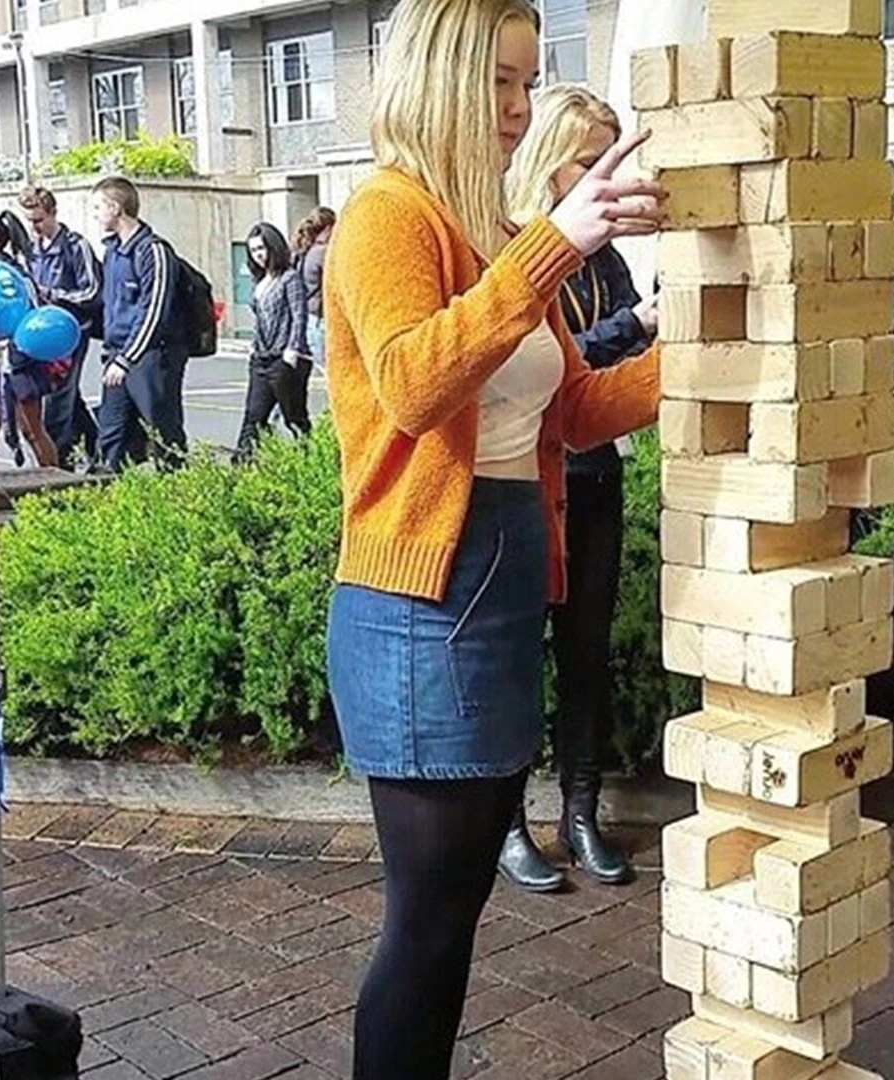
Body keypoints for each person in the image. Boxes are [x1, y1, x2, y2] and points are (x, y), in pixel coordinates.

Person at [323, 1, 667, 1076]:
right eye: (500, 83)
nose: (519, 110)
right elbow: (418, 386)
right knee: (427, 919)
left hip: (501, 576)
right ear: (438, 78)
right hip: (423, 596)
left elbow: (563, 414)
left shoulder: (486, 230)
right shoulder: (390, 211)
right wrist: (557, 247)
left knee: (455, 906)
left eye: (529, 83)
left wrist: (708, 362)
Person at [497, 84, 657, 893]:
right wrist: (639, 327)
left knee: (586, 653)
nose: (608, 179)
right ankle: (511, 823)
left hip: (597, 470)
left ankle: (582, 813)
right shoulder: (520, 247)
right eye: (589, 162)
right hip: (532, 475)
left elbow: (603, 376)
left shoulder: (608, 256)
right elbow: (570, 363)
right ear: (545, 160)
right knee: (520, 655)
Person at [93, 177, 187, 472]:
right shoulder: (112, 251)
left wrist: (127, 358)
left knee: (163, 434)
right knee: (111, 435)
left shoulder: (153, 250)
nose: (94, 214)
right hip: (117, 357)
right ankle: (112, 496)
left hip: (151, 357)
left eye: (97, 207)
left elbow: (154, 311)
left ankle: (177, 494)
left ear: (115, 207)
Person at [18, 184, 100, 470]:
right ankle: (99, 449)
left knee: (57, 403)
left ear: (53, 214)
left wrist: (54, 295)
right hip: (41, 335)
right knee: (68, 399)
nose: (34, 227)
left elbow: (92, 292)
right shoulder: (30, 250)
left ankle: (61, 468)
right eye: (30, 221)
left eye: (39, 220)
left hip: (70, 332)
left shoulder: (76, 246)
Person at [234, 222, 311, 460]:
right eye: (254, 251)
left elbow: (299, 315)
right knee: (253, 416)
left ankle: (310, 459)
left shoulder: (290, 278)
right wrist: (254, 347)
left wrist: (292, 349)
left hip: (284, 358)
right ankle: (240, 466)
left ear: (273, 247)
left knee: (294, 418)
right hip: (261, 358)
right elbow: (260, 320)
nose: (259, 255)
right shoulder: (260, 282)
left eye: (262, 249)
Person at [0, 215, 62, 468]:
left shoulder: (8, 274)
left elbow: (28, 311)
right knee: (32, 429)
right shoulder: (17, 270)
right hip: (21, 357)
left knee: (32, 429)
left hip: (18, 358)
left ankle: (53, 484)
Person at [292, 206, 335, 367]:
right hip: (321, 319)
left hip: (310, 318)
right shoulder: (323, 252)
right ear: (330, 227)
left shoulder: (306, 251)